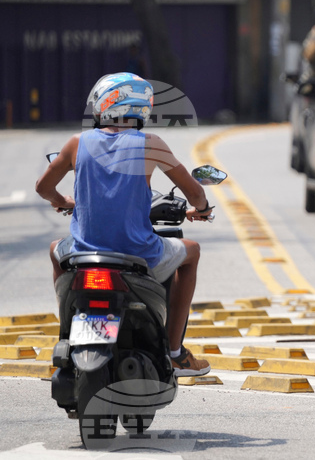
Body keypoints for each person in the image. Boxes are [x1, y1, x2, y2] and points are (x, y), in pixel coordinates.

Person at [35, 73, 214, 377]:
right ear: (142, 107)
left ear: (103, 106)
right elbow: (195, 192)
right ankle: (174, 352)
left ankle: (67, 332)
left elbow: (43, 188)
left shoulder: (77, 143)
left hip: (84, 254)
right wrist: (203, 208)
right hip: (139, 254)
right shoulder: (151, 144)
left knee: (55, 250)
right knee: (192, 251)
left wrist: (63, 200)